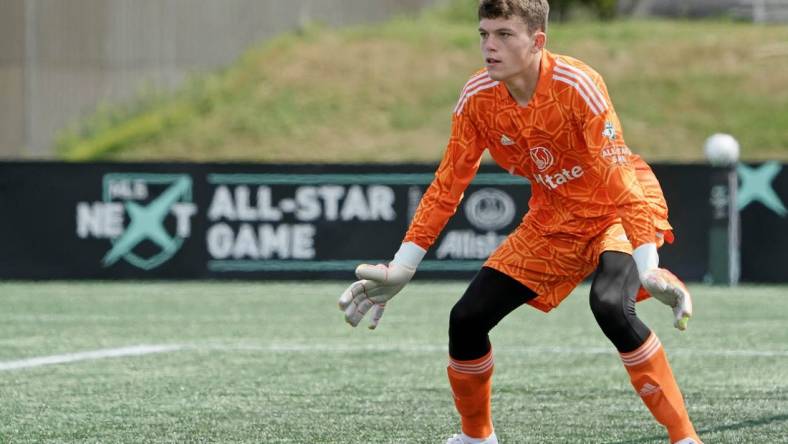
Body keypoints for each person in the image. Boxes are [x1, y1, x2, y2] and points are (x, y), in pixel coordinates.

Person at [338, 1, 701, 443]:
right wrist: (403, 266)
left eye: (504, 35)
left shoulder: (578, 85)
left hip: (617, 208)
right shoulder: (477, 98)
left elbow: (620, 179)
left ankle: (684, 437)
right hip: (553, 218)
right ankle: (477, 438)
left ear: (537, 41)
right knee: (466, 319)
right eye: (484, 34)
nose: (490, 46)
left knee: (609, 305)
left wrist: (648, 265)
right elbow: (448, 184)